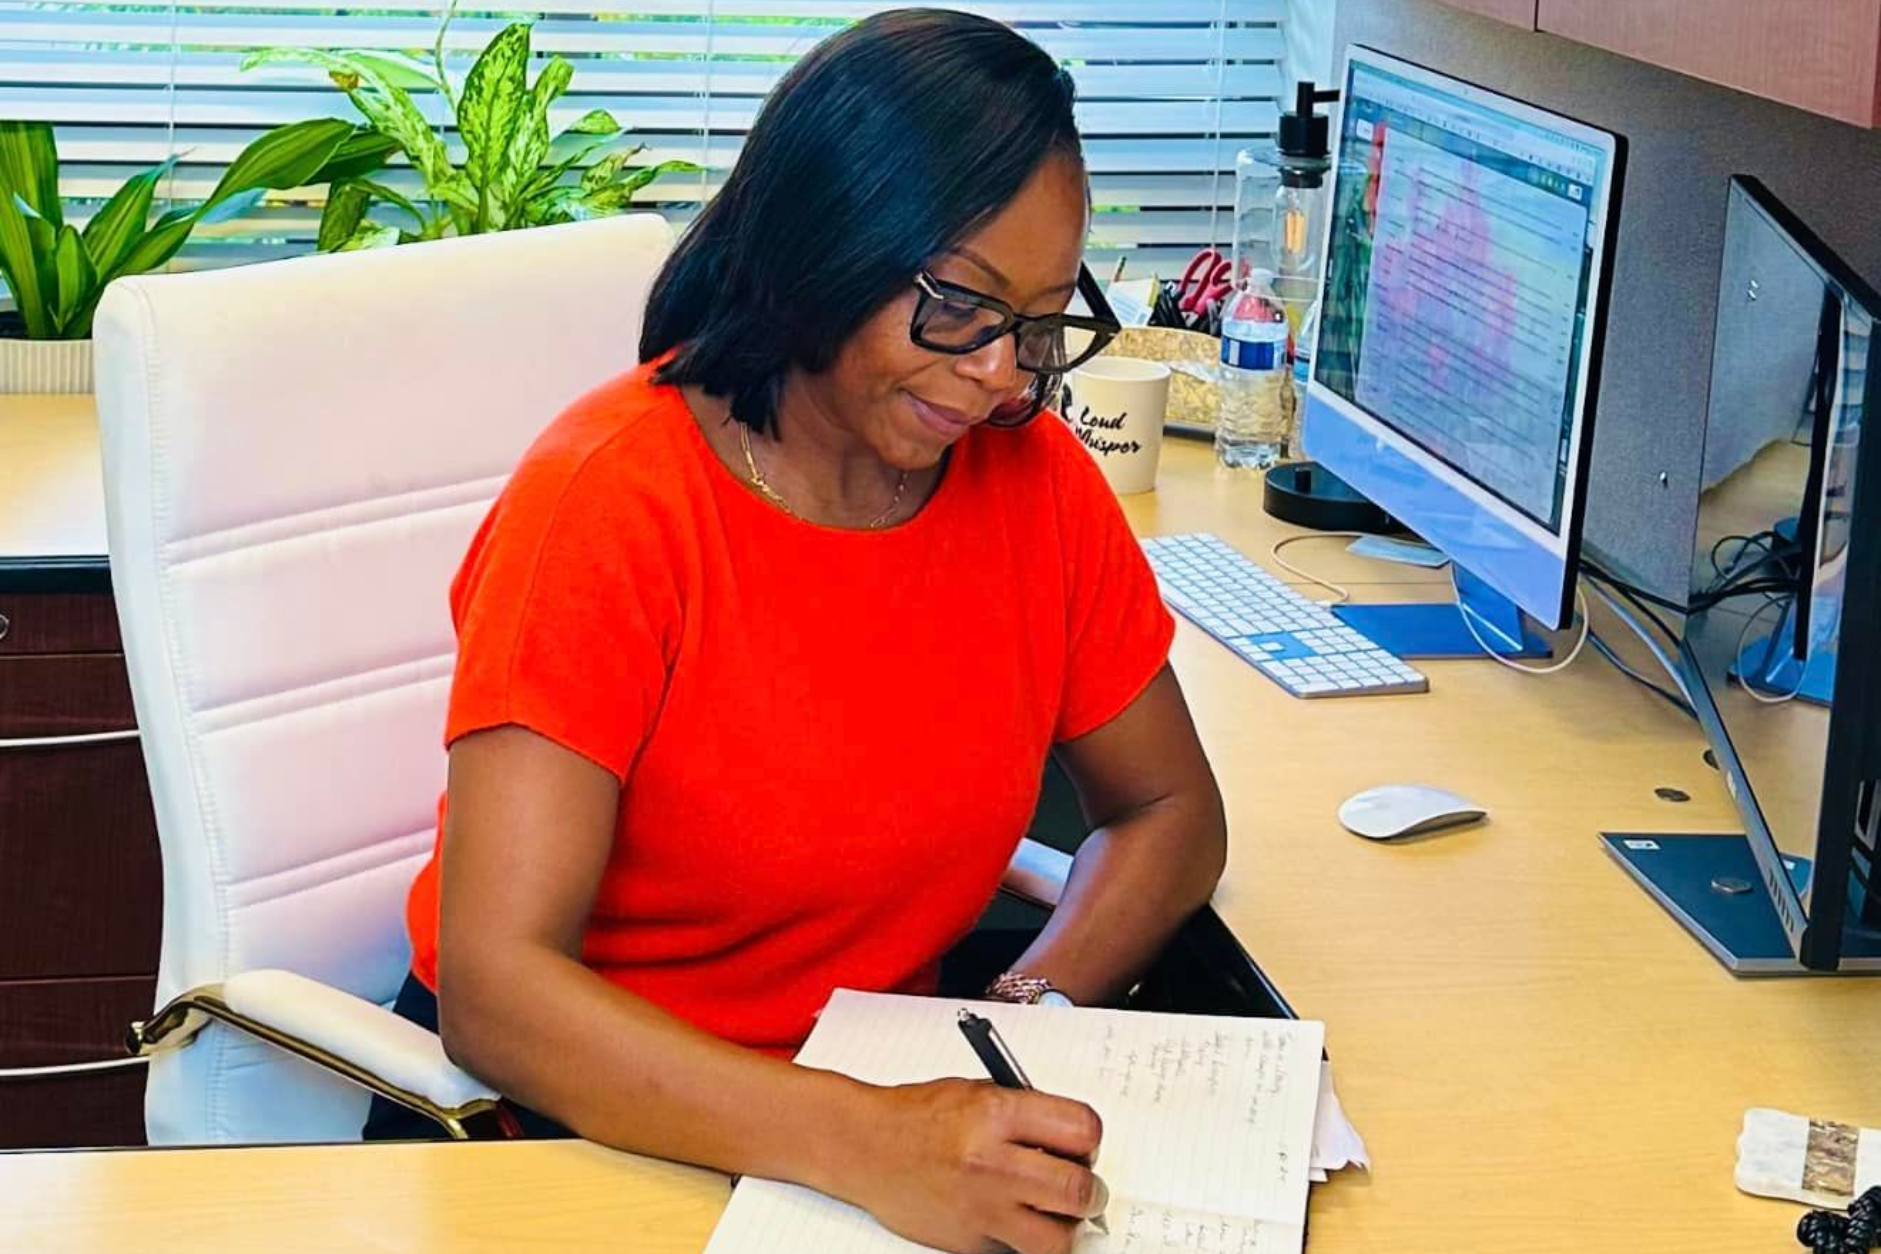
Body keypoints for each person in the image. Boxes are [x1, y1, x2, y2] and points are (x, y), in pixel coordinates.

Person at [367, 9, 1227, 1254]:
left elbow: (1167, 812)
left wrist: (1024, 1010)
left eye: (1042, 326)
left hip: (872, 1129)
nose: (1005, 377)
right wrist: (868, 1140)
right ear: (825, 248)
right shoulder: (610, 504)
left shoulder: (1031, 482)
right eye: (961, 308)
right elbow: (496, 994)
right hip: (571, 1136)